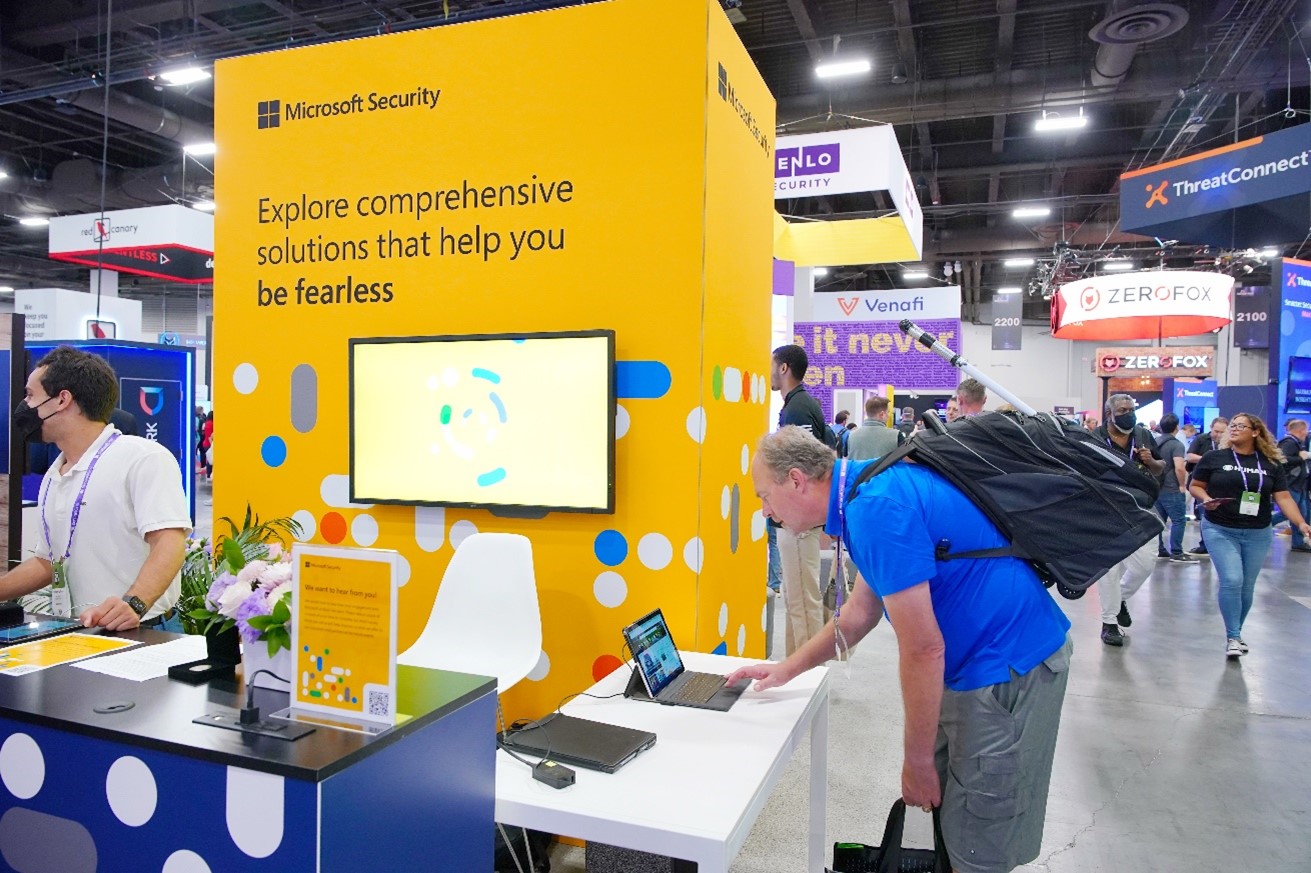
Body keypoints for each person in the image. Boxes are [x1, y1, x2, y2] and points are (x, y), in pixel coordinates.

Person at [730, 427, 1072, 873]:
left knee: (978, 844)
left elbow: (924, 649)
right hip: (980, 665)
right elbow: (857, 616)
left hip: (1007, 667)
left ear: (796, 480)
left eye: (764, 495)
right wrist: (784, 669)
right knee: (958, 820)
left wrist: (916, 762)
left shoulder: (875, 508)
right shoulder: (868, 490)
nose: (764, 510)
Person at [0, 346, 190, 630]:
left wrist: (134, 604)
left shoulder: (143, 457)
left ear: (61, 399)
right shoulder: (55, 473)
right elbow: (47, 563)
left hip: (143, 629)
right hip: (81, 630)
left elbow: (169, 542)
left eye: (30, 394)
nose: (24, 404)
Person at [1189, 413, 1311, 657]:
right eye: (1231, 426)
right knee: (1232, 580)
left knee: (1246, 587)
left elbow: (1283, 497)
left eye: (1240, 426)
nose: (1233, 430)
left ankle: (1237, 631)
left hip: (1258, 531)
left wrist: (1301, 523)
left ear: (1255, 432)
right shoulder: (1215, 458)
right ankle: (1233, 636)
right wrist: (1206, 499)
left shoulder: (1270, 463)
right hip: (1220, 528)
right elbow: (1195, 485)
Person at [769, 344, 830, 655]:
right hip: (800, 517)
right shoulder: (801, 404)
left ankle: (808, 669)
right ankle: (797, 664)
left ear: (784, 368)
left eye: (772, 365)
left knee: (803, 600)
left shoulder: (798, 408)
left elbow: (802, 467)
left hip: (799, 519)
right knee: (797, 597)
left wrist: (789, 510)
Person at [1094, 395, 1164, 646]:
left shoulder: (1144, 435)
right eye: (1122, 410)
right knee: (1109, 569)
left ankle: (1120, 598)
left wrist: (1150, 461)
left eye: (1131, 409)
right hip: (1106, 508)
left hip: (1141, 506)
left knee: (1145, 563)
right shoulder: (1094, 437)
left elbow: (1159, 467)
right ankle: (1109, 622)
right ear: (1109, 413)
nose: (1129, 414)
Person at [1153, 413, 1195, 562]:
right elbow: (1179, 467)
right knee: (1178, 520)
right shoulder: (1177, 445)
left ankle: (1159, 549)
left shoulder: (1155, 442)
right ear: (1177, 427)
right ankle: (1177, 552)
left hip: (1156, 487)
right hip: (1172, 488)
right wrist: (1182, 485)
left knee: (1159, 522)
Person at [1185, 417, 1229, 555]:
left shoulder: (1229, 442)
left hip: (1222, 485)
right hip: (1202, 484)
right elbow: (1190, 456)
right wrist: (1209, 459)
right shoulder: (1201, 439)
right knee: (1205, 516)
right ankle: (1205, 545)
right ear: (1211, 427)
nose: (1219, 435)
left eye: (1222, 432)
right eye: (1216, 431)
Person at [1277, 419, 1311, 552]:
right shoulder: (1289, 443)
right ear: (1301, 430)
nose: (1306, 434)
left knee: (1300, 515)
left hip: (1299, 484)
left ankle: (1298, 543)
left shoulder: (1296, 443)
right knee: (1288, 513)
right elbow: (1282, 460)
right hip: (1291, 484)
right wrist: (1300, 458)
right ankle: (1264, 525)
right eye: (1305, 431)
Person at [845, 396, 904, 461]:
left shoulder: (850, 435)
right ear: (882, 414)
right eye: (888, 412)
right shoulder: (896, 435)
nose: (888, 415)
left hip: (857, 471)